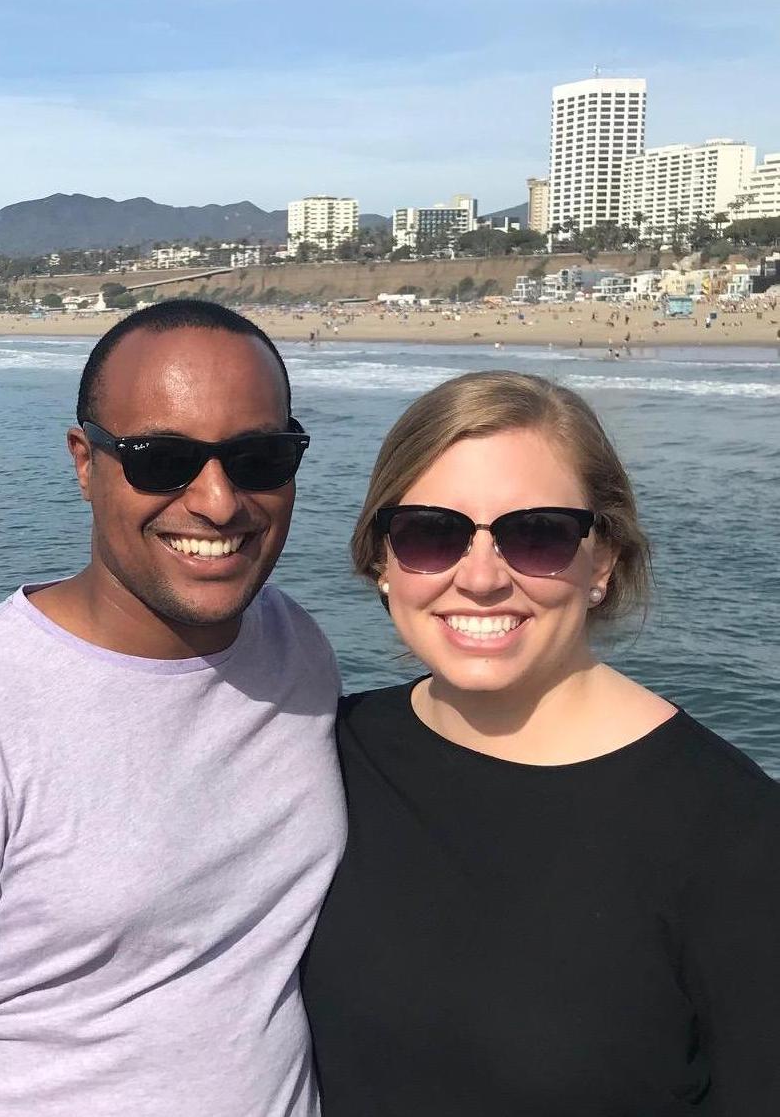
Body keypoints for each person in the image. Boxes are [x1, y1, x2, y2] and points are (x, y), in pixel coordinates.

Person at [0, 301, 346, 1116]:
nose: (219, 502)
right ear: (84, 463)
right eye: (162, 460)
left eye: (259, 456)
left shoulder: (296, 648)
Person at [303, 370, 780, 1115]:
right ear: (382, 561)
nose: (482, 577)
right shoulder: (325, 756)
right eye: (431, 533)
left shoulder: (733, 830)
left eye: (538, 534)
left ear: (603, 560)